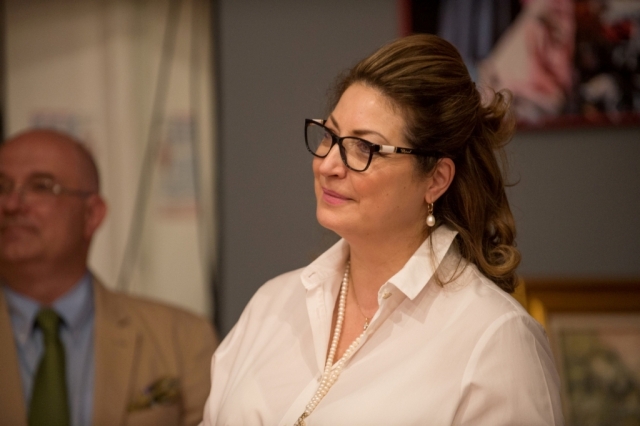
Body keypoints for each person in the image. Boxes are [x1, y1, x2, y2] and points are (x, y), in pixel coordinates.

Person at [202, 34, 563, 425]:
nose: (328, 165)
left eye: (364, 148)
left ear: (436, 179)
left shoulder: (495, 339)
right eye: (329, 136)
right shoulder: (271, 305)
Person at [0, 129, 217, 426]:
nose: (11, 205)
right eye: (2, 187)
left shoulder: (182, 338)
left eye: (41, 186)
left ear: (92, 215)